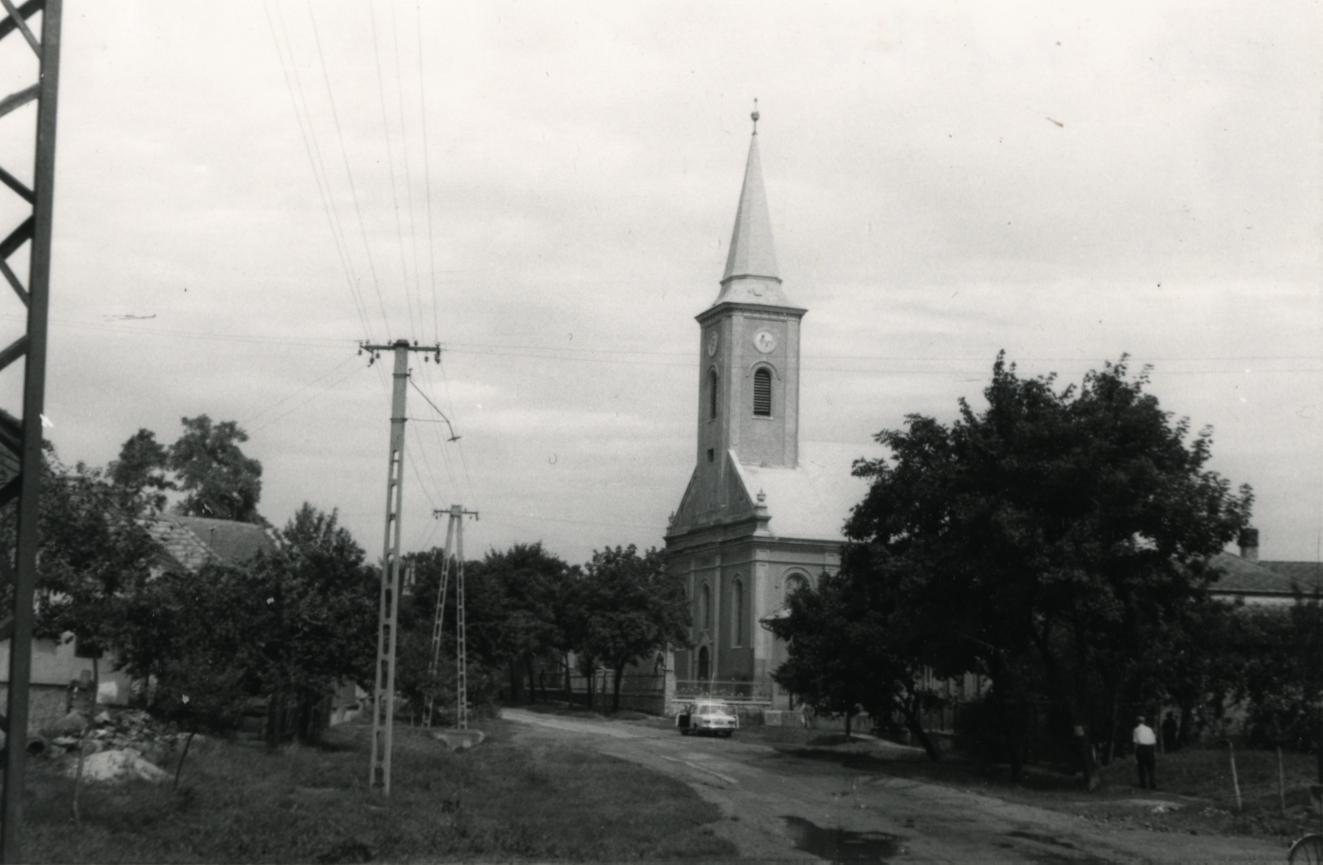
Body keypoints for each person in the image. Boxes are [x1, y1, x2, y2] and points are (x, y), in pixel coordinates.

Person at [1133, 715, 1157, 790]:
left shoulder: (1136, 730)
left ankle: (1143, 783)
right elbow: (1153, 740)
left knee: (1141, 766)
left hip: (1141, 748)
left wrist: (1135, 752)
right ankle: (1152, 782)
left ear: (1137, 722)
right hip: (1150, 747)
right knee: (1151, 766)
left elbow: (1135, 742)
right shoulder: (1149, 729)